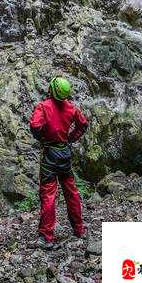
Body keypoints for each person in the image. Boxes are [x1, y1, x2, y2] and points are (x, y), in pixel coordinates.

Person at [29, 76, 88, 248]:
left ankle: (47, 237)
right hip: (65, 153)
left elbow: (35, 126)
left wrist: (43, 139)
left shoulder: (43, 106)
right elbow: (83, 125)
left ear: (51, 90)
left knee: (48, 194)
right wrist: (70, 138)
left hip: (50, 155)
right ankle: (79, 230)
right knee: (71, 191)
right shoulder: (71, 108)